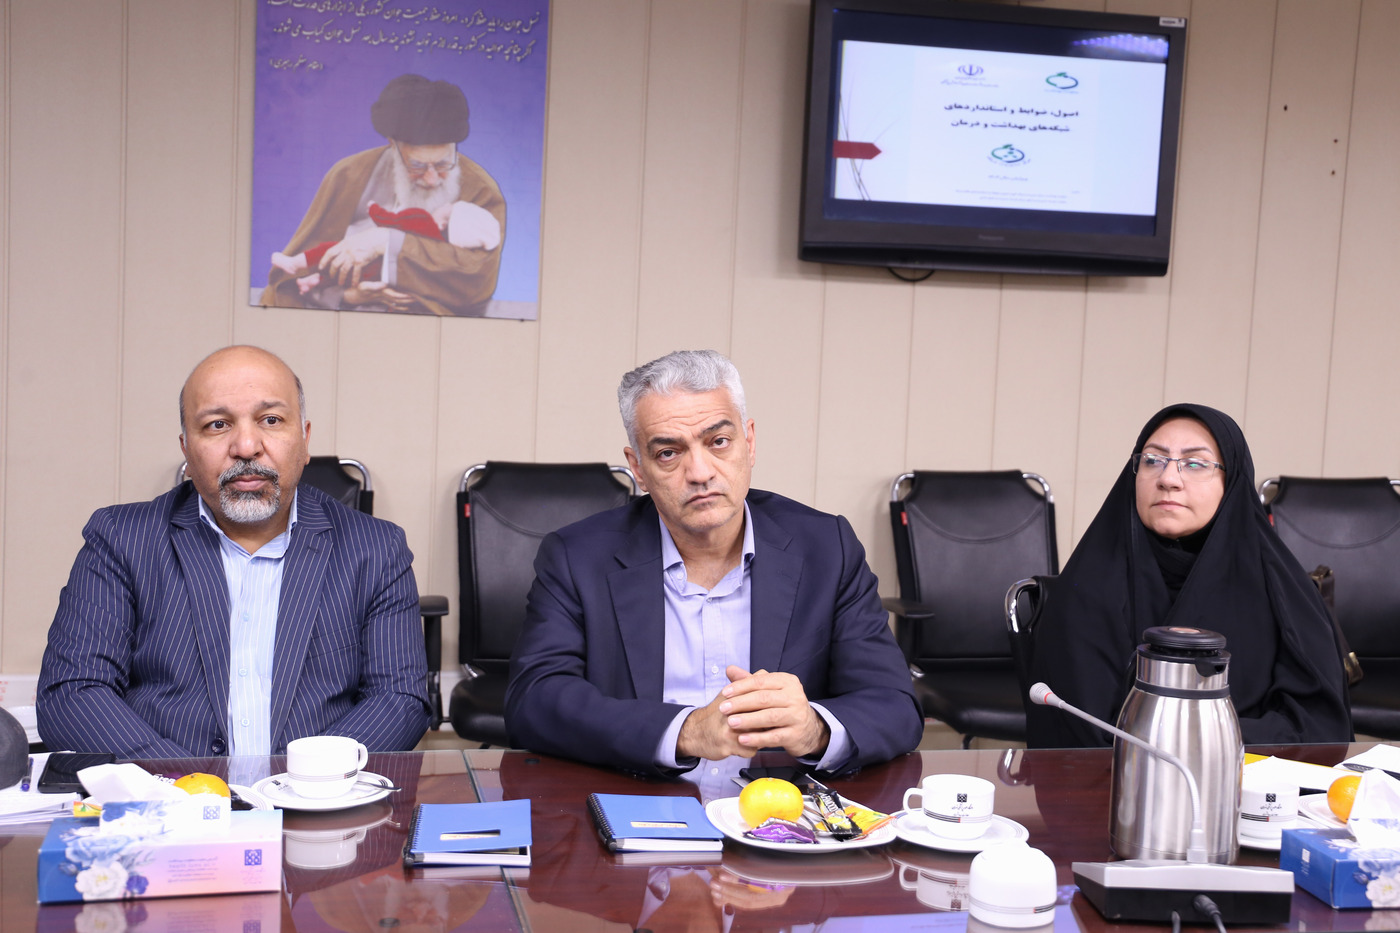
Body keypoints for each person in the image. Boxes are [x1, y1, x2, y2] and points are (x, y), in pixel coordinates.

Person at [505, 350, 923, 777]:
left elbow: (894, 705)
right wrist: (684, 732)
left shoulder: (826, 548)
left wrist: (814, 729)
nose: (700, 472)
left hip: (779, 808)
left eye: (718, 442)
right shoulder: (577, 557)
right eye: (668, 453)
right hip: (640, 803)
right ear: (638, 469)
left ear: (749, 442)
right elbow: (533, 701)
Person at [37, 346, 431, 758]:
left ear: (304, 439)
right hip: (167, 793)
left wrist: (301, 781)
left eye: (271, 420)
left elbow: (399, 699)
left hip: (316, 794)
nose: (246, 446)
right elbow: (71, 693)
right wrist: (191, 783)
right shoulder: (121, 539)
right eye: (217, 424)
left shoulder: (375, 549)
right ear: (186, 448)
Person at [1025, 403, 1352, 748]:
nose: (1168, 479)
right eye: (1152, 460)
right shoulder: (1088, 589)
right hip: (1121, 780)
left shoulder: (1281, 590)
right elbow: (1081, 738)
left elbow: (1318, 728)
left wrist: (1200, 744)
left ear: (1232, 481)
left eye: (1195, 464)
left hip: (1257, 780)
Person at [264, 73, 506, 317]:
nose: (432, 178)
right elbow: (290, 278)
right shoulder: (348, 175)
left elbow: (477, 278)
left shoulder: (480, 189)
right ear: (393, 144)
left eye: (443, 164)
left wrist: (386, 241)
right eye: (417, 166)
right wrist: (349, 297)